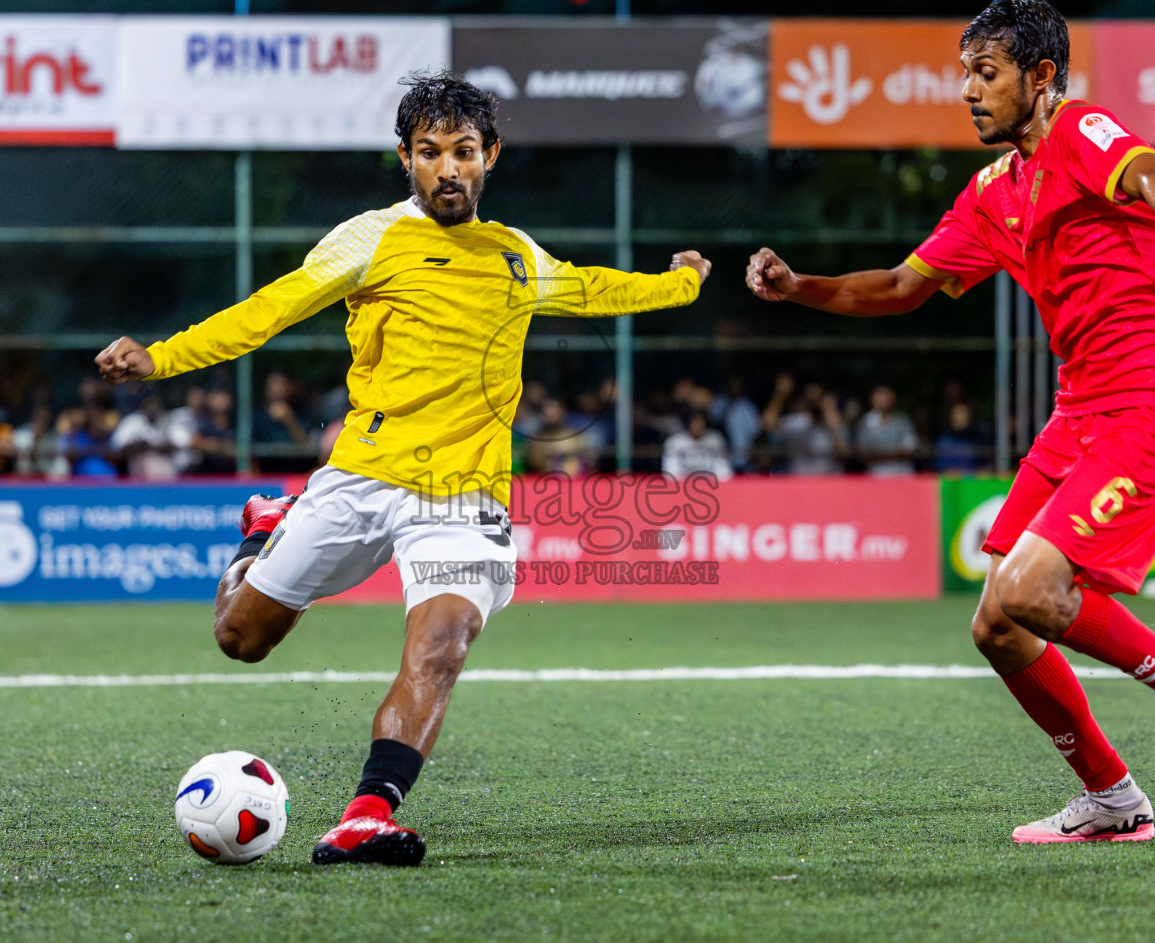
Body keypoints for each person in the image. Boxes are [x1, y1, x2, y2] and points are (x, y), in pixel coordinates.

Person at [95, 72, 710, 866]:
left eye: (462, 152)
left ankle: (366, 814)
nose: (447, 169)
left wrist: (681, 283)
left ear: (490, 155)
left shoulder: (515, 256)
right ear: (405, 159)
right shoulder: (371, 239)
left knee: (443, 640)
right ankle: (261, 536)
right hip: (362, 477)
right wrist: (161, 357)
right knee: (240, 638)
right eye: (429, 153)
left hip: (463, 495)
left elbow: (594, 290)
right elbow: (270, 309)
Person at [746, 0, 1155, 843]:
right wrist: (800, 287)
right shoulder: (997, 190)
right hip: (1081, 411)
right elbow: (899, 288)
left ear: (1041, 77)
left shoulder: (1078, 131)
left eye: (985, 73)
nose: (968, 90)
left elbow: (1154, 178)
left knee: (1033, 589)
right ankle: (1112, 798)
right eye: (965, 73)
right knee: (997, 620)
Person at [854, 385, 919, 476]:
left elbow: (909, 448)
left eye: (886, 397)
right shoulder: (865, 422)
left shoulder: (903, 421)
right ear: (872, 399)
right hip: (876, 475)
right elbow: (864, 453)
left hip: (902, 474)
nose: (882, 401)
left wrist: (878, 456)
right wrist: (894, 455)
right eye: (879, 397)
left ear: (893, 399)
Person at [660, 411, 734, 480]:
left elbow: (723, 468)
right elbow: (671, 471)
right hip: (682, 485)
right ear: (688, 424)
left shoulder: (715, 439)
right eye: (695, 423)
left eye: (701, 422)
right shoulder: (675, 442)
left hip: (711, 483)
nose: (698, 426)